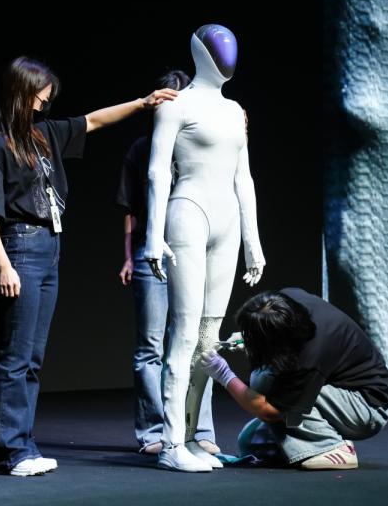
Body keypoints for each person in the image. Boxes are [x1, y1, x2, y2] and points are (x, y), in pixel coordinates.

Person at [0, 56, 177, 476]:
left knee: (33, 358)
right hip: (21, 247)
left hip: (50, 246)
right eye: (40, 94)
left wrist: (143, 103)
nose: (45, 102)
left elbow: (95, 120)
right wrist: (5, 266)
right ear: (21, 92)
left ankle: (22, 446)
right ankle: (10, 452)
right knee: (15, 356)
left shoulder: (45, 134)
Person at [143, 24, 266, 472]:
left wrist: (253, 240)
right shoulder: (177, 105)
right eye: (219, 50)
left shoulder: (234, 111)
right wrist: (153, 234)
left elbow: (243, 178)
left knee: (208, 340)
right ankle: (171, 443)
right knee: (183, 332)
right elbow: (158, 172)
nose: (227, 58)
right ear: (200, 53)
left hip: (227, 222)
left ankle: (194, 437)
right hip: (189, 213)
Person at [116, 70, 222, 456]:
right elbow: (130, 208)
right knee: (150, 345)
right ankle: (154, 432)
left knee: (198, 341)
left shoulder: (204, 142)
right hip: (152, 252)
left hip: (194, 249)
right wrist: (129, 256)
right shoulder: (143, 148)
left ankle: (198, 429)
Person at [199, 287, 388, 470]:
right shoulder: (288, 299)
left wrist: (225, 375)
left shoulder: (309, 357)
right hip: (336, 386)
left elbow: (270, 411)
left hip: (366, 408)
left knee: (265, 384)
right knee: (250, 442)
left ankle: (332, 447)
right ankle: (307, 443)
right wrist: (250, 336)